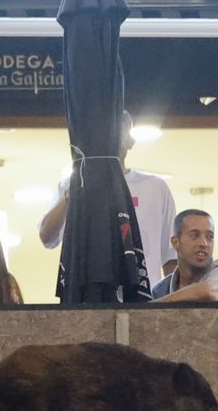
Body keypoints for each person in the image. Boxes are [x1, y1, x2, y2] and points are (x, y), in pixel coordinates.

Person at [38, 110, 177, 285]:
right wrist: (70, 195)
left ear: (130, 140)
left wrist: (169, 303)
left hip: (144, 296)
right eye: (103, 134)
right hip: (89, 293)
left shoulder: (155, 187)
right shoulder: (73, 184)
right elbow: (46, 237)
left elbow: (171, 256)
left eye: (116, 132)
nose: (109, 139)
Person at [151, 209, 218, 302]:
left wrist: (154, 306)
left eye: (210, 237)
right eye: (194, 235)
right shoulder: (160, 291)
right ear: (175, 242)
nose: (204, 243)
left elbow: (209, 291)